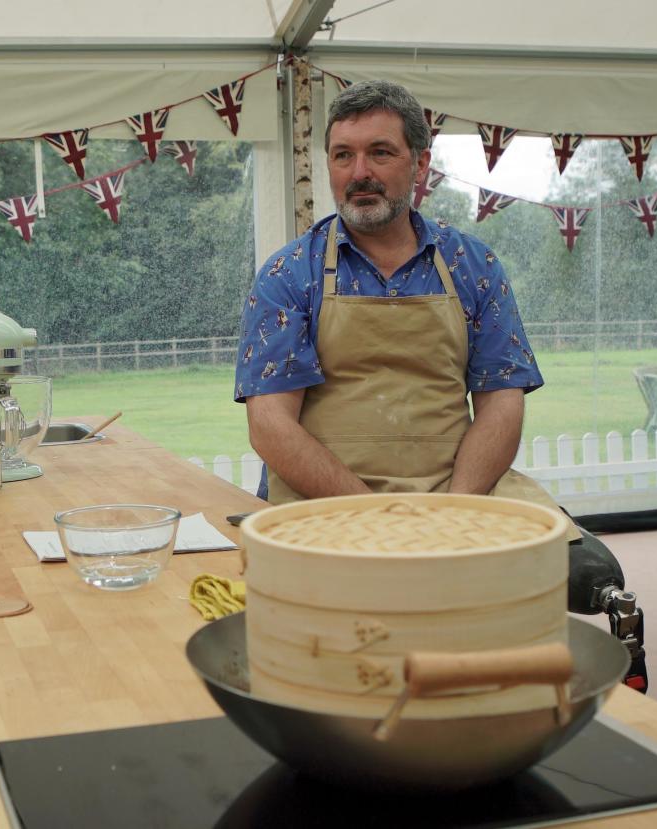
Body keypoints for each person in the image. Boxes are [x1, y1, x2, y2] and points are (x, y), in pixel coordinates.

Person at [234, 78, 580, 543]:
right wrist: (377, 519)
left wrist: (453, 513)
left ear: (420, 164)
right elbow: (271, 427)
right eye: (343, 155)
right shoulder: (290, 274)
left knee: (539, 571)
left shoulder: (472, 266)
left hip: (458, 494)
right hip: (321, 504)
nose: (359, 173)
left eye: (380, 152)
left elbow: (502, 405)